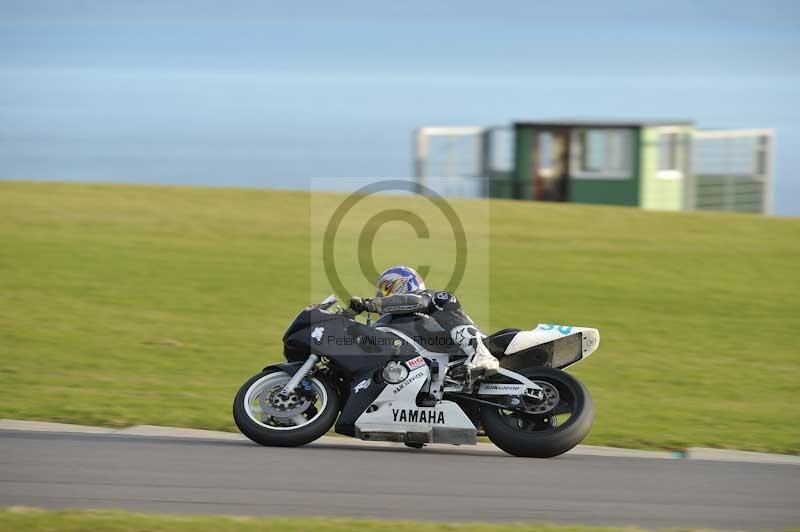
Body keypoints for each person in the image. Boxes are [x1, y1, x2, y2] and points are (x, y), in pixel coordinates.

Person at [348, 265, 499, 388]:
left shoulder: (424, 297)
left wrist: (370, 304)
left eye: (386, 288)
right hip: (426, 360)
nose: (382, 295)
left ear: (405, 283)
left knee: (443, 300)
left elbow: (416, 302)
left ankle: (481, 355)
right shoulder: (390, 320)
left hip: (461, 348)